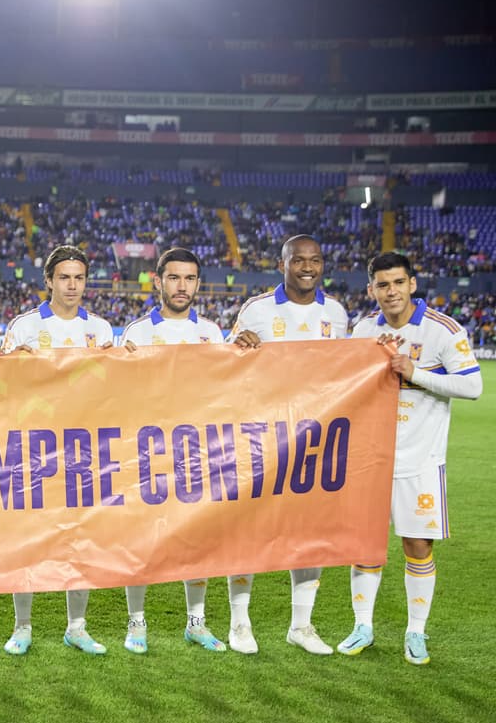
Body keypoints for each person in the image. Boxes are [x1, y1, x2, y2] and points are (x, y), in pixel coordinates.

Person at [342, 252, 482, 665]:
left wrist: (414, 372)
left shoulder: (443, 330)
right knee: (366, 547)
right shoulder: (364, 328)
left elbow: (472, 386)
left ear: (412, 285)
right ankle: (362, 626)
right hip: (371, 458)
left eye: (398, 283)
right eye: (382, 285)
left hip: (420, 460)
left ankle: (415, 632)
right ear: (372, 289)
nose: (391, 292)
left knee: (417, 546)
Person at [230, 234, 348, 656]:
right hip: (261, 437)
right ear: (282, 263)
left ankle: (301, 625)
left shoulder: (335, 313)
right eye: (298, 259)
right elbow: (228, 366)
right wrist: (238, 346)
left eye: (315, 260)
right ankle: (240, 623)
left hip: (315, 439)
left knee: (309, 532)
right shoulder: (257, 310)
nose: (307, 267)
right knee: (248, 530)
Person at [0, 245, 114, 657]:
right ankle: (22, 626)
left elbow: (111, 388)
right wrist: (13, 363)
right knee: (28, 537)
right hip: (32, 446)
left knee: (79, 538)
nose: (72, 285)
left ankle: (76, 627)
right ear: (48, 280)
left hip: (82, 448)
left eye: (79, 277)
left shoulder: (101, 330)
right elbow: (0, 385)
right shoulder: (25, 327)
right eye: (64, 277)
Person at [120, 247, 228, 654]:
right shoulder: (136, 333)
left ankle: (196, 623)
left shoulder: (213, 334)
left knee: (196, 542)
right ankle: (136, 623)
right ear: (158, 281)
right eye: (174, 278)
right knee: (142, 540)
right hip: (148, 452)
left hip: (197, 452)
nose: (182, 286)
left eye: (190, 279)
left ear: (198, 283)